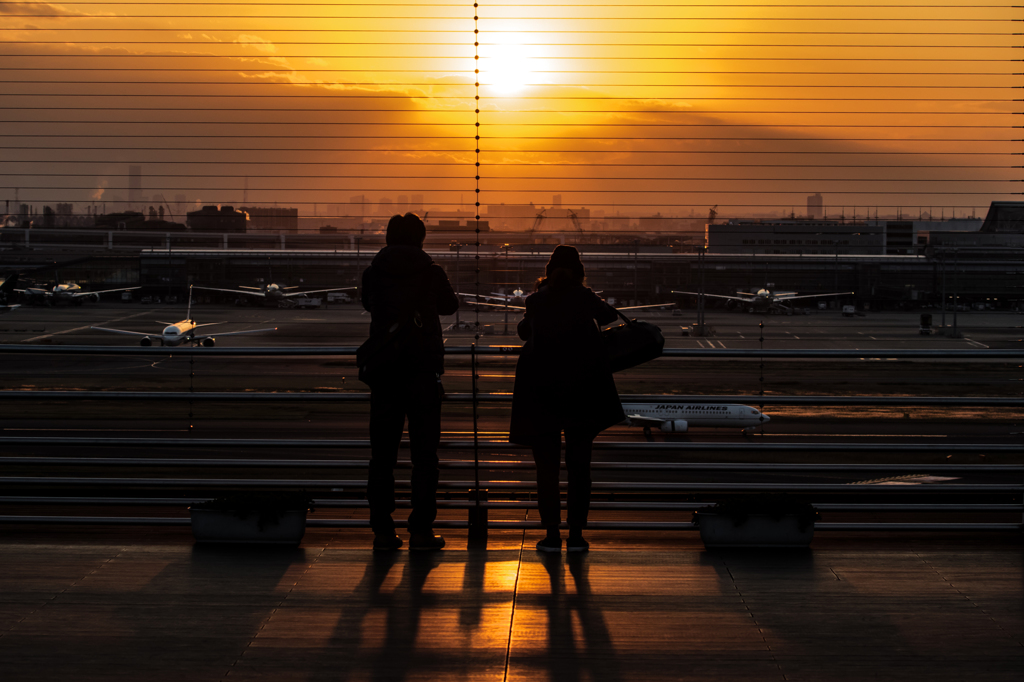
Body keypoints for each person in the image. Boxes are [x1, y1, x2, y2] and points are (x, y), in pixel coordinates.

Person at [509, 245, 624, 553]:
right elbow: (610, 316)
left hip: (542, 393)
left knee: (546, 470)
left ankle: (550, 534)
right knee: (579, 468)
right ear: (579, 272)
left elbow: (523, 333)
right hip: (582, 392)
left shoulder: (536, 300)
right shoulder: (584, 298)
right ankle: (575, 535)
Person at [360, 213, 459, 551]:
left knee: (382, 456)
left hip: (385, 372)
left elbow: (366, 304)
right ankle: (420, 531)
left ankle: (383, 532)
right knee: (425, 457)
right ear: (421, 238)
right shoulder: (431, 272)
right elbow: (450, 306)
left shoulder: (374, 272)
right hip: (421, 371)